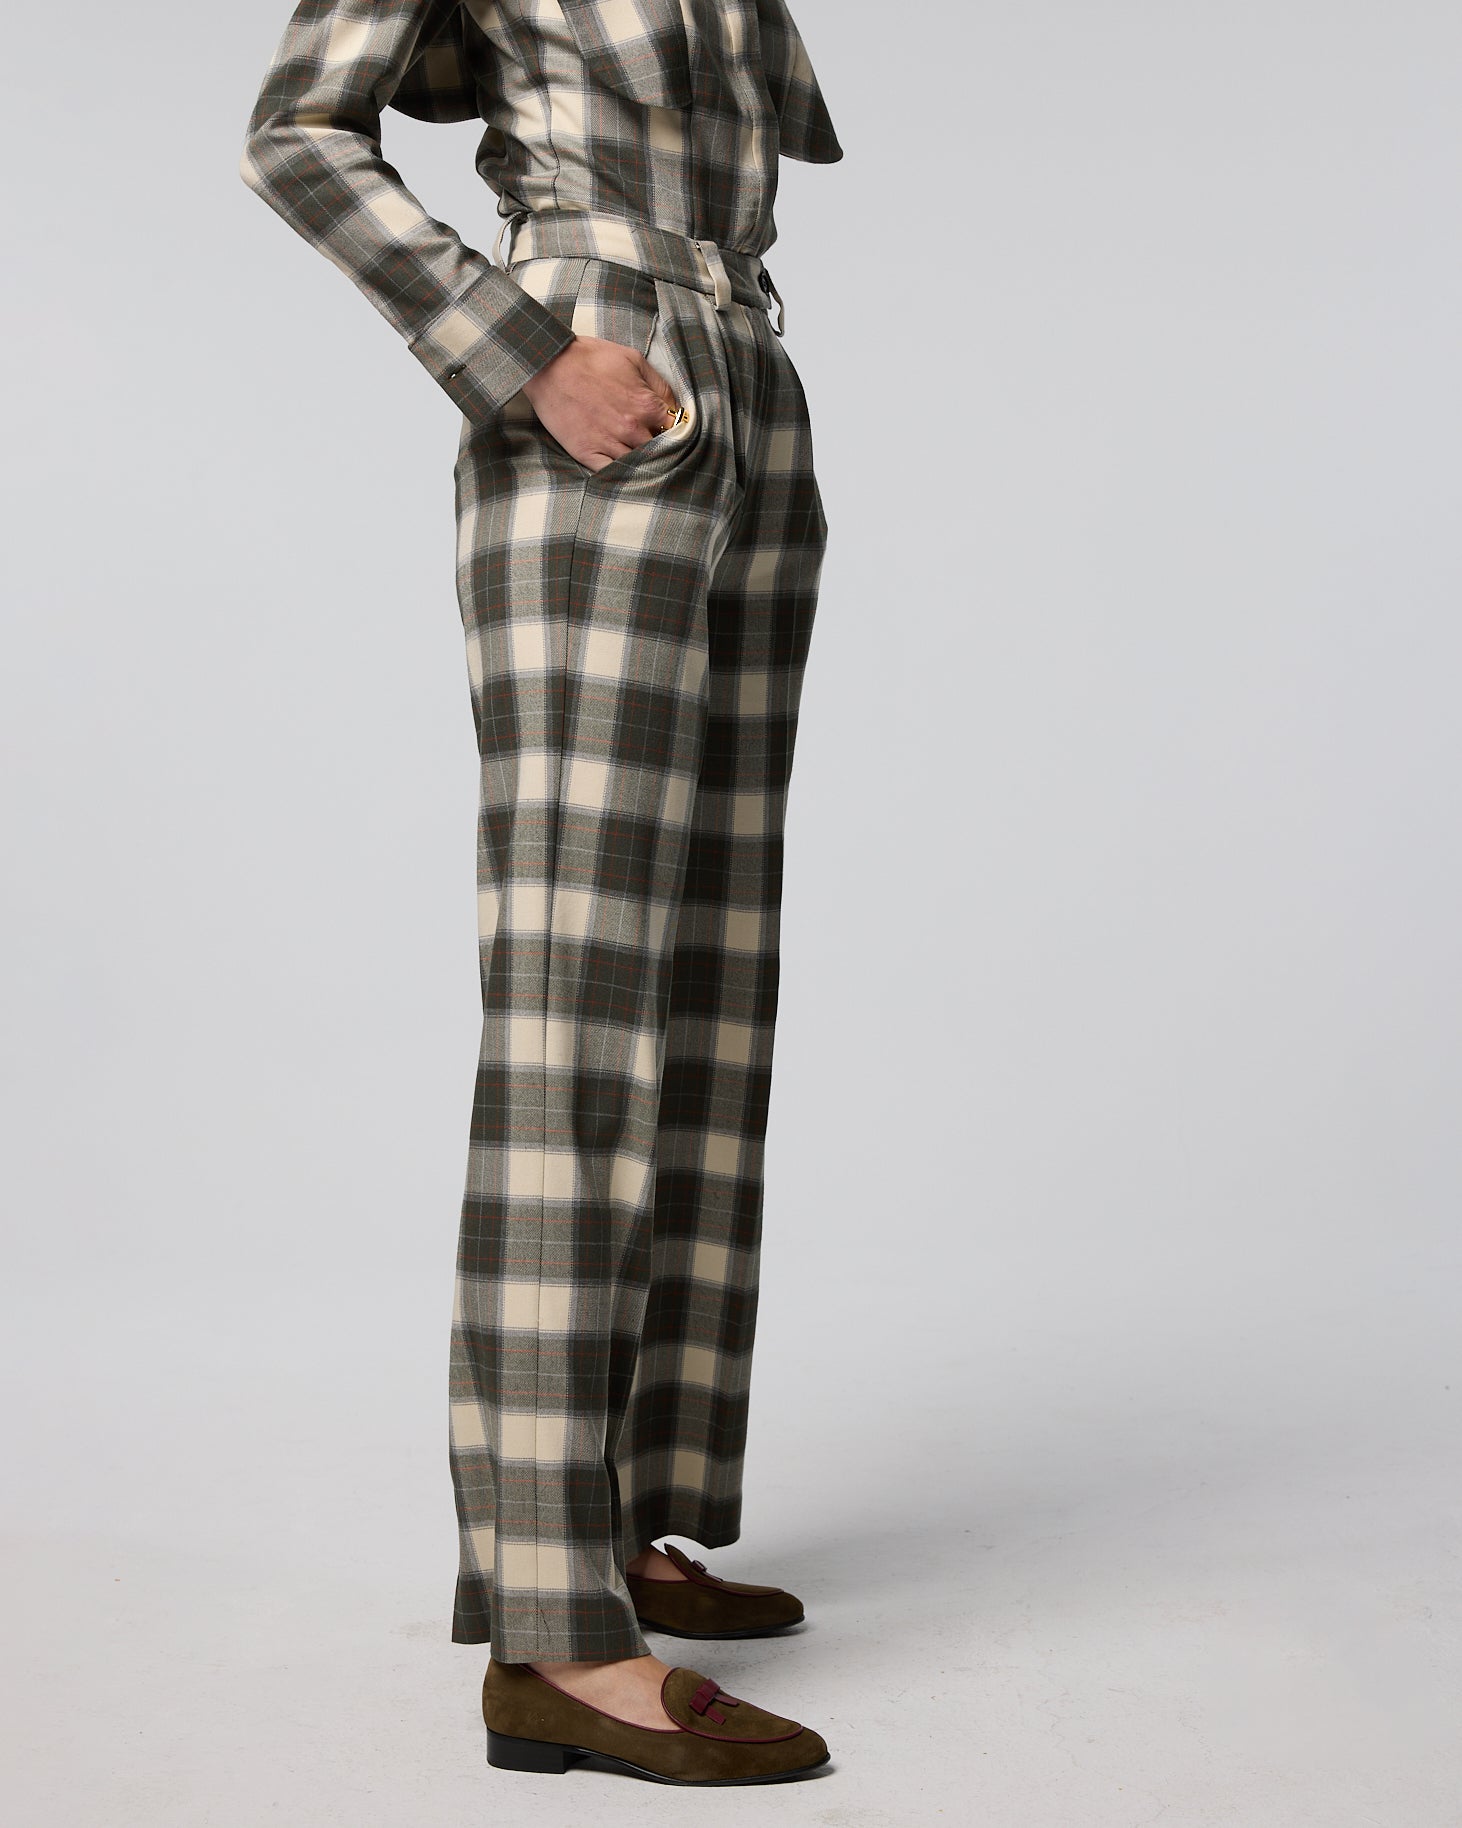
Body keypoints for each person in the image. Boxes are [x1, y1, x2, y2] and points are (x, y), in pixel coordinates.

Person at [239, 0, 842, 1786]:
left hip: (749, 372)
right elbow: (296, 131)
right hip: (591, 371)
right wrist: (519, 352)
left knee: (703, 980)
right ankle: (553, 1634)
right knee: (577, 1004)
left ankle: (623, 1519)